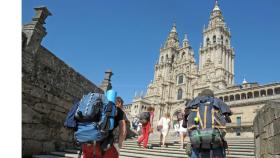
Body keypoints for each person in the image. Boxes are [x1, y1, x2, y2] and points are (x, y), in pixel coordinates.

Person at [185, 89, 232, 158]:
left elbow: (184, 124)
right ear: (212, 96)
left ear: (201, 96)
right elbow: (228, 120)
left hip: (196, 146)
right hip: (216, 147)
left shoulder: (192, 104)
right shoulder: (219, 103)